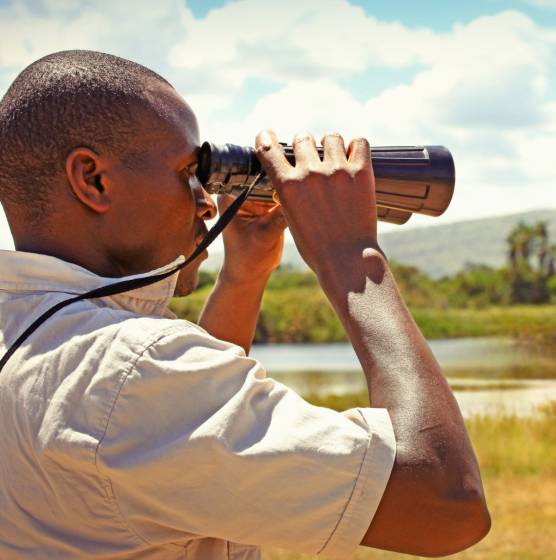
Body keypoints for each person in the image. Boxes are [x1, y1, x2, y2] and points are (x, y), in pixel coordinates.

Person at [0, 50, 490, 558]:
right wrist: (352, 256)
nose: (208, 201)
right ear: (94, 180)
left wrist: (244, 274)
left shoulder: (31, 333)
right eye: (188, 173)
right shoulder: (129, 373)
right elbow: (446, 503)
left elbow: (183, 450)